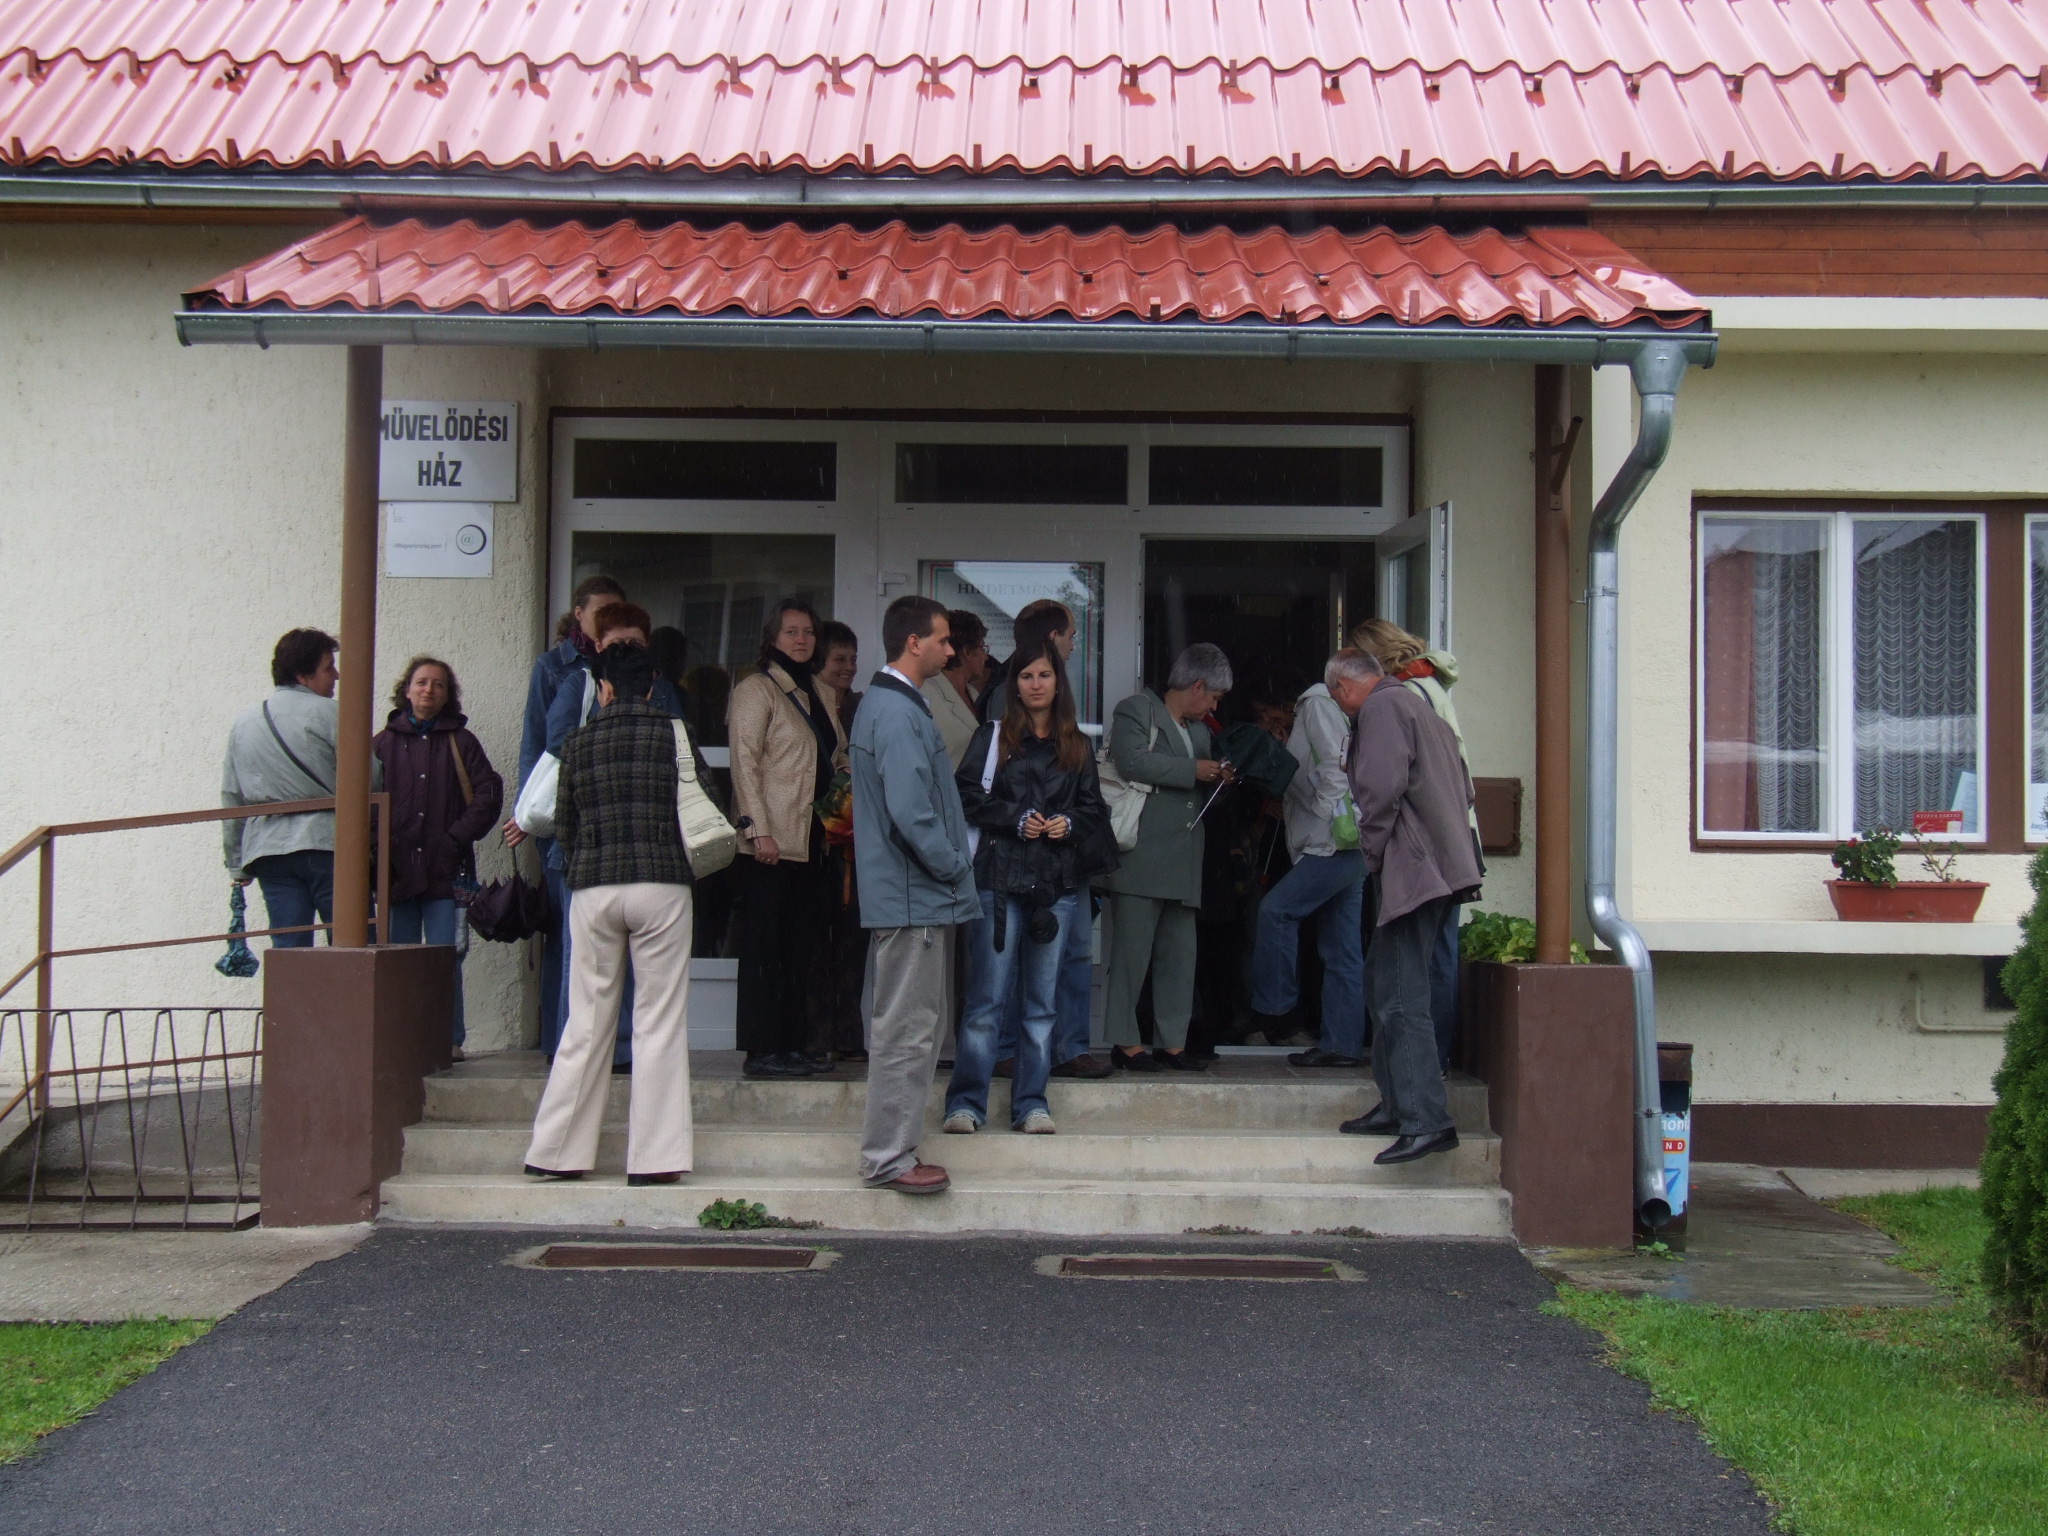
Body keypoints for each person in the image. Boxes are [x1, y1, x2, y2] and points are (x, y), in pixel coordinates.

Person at [523, 640, 696, 1186]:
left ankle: (556, 1152)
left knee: (587, 1020)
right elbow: (701, 805)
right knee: (658, 1020)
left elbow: (563, 822)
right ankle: (656, 1159)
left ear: (603, 688)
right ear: (651, 687)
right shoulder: (675, 735)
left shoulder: (577, 742)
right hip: (662, 882)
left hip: (594, 887)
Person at [945, 640, 1117, 1135]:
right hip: (997, 883)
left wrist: (1069, 823)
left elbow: (1094, 809)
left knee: (1041, 1006)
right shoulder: (993, 736)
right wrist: (1016, 818)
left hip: (1054, 888)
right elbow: (964, 794)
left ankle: (1031, 1104)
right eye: (1026, 676)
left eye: (1044, 675)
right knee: (986, 1002)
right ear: (1013, 686)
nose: (1036, 684)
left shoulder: (1077, 744)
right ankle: (965, 1104)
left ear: (1058, 683)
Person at [1331, 647, 1481, 1164]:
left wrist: (1373, 851)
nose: (1340, 705)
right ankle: (1397, 1106)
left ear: (1344, 687)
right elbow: (1465, 786)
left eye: (1337, 696)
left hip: (1414, 872)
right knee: (1385, 984)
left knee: (1399, 996)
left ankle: (1425, 1120)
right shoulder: (1420, 705)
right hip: (1439, 867)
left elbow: (1380, 789)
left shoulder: (1382, 708)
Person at [849, 595, 978, 1195]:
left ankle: (893, 1152)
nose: (951, 651)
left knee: (909, 1025)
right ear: (913, 643)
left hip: (910, 894)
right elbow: (911, 812)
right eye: (943, 640)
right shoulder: (898, 712)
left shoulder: (892, 704)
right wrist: (954, 865)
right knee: (908, 1029)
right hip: (914, 896)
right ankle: (889, 1158)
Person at [526, 601, 682, 1071]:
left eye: (636, 643)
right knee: (583, 966)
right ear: (597, 645)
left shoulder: (663, 690)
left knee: (637, 966)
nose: (627, 651)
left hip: (642, 846)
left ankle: (624, 1052)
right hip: (590, 851)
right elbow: (555, 745)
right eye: (618, 643)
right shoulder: (579, 684)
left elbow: (682, 753)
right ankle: (575, 1054)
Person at [1100, 644, 1234, 1072]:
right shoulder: (1138, 709)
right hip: (1140, 854)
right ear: (1197, 686)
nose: (1214, 707)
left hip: (1183, 857)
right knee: (1131, 954)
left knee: (1180, 954)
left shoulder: (1199, 729)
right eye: (1213, 697)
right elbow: (1130, 760)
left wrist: (1219, 777)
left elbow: (1198, 783)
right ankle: (1124, 1041)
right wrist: (1194, 770)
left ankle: (1172, 1042)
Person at [507, 575, 626, 1056]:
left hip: (613, 819)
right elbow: (537, 744)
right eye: (601, 612)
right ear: (579, 614)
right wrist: (528, 810)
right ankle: (563, 1048)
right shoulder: (557, 667)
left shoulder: (629, 662)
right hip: (564, 818)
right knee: (567, 935)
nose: (609, 620)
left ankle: (610, 1046)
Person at [727, 598, 845, 1080]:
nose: (801, 639)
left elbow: (834, 757)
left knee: (801, 948)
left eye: (808, 632)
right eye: (792, 631)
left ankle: (794, 1044)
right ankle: (762, 1049)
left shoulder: (820, 691)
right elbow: (744, 761)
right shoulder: (756, 689)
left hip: (813, 841)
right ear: (772, 637)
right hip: (770, 844)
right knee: (765, 948)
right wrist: (758, 829)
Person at [1355, 619, 1476, 1070]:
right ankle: (1428, 1068)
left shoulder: (1402, 696)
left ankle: (1424, 1070)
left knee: (1413, 974)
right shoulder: (1429, 686)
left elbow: (1390, 783)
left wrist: (1373, 847)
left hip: (1426, 852)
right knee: (1433, 958)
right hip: (1453, 843)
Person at [372, 656, 504, 1062]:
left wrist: (454, 838)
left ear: (448, 695)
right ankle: (402, 1040)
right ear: (406, 690)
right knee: (398, 960)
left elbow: (488, 795)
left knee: (447, 958)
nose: (429, 689)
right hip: (396, 874)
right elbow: (365, 804)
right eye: (422, 682)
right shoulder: (382, 744)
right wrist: (380, 851)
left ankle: (449, 1039)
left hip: (448, 872)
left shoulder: (462, 742)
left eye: (438, 684)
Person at [1245, 660, 1367, 1068]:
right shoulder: (1317, 711)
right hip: (1347, 843)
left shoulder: (1314, 705)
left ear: (1283, 699)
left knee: (1275, 912)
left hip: (1331, 842)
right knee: (1341, 949)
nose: (1268, 720)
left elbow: (1336, 768)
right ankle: (1342, 1044)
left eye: (1267, 711)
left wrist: (1329, 814)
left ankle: (1275, 1009)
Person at [223, 628, 353, 952]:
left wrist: (237, 863)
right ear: (303, 675)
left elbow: (232, 796)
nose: (336, 675)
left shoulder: (244, 723)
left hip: (269, 850)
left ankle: (292, 988)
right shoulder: (335, 714)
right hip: (329, 844)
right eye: (328, 668)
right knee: (351, 945)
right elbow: (371, 780)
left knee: (289, 950)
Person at [809, 618, 866, 1063]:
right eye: (838, 659)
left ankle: (848, 1033)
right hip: (816, 841)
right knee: (819, 944)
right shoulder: (808, 706)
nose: (848, 667)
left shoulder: (863, 706)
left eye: (852, 659)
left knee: (853, 942)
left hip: (857, 842)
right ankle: (819, 1036)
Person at [977, 599, 1075, 724]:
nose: (1072, 647)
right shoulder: (1006, 692)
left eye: (1045, 675)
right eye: (1070, 637)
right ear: (1053, 637)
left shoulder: (1005, 681)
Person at [922, 608, 989, 768]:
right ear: (967, 652)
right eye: (982, 648)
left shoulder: (974, 693)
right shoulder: (927, 693)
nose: (986, 657)